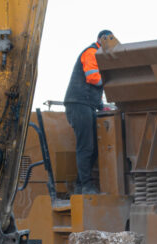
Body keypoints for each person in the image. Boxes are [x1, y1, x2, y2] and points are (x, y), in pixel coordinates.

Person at [63, 30, 118, 195]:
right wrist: (111, 79)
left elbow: (94, 88)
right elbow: (93, 77)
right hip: (78, 104)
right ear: (102, 39)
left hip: (87, 104)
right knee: (86, 147)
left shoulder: (97, 55)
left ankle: (80, 185)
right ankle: (86, 186)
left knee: (93, 147)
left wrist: (101, 106)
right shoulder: (91, 52)